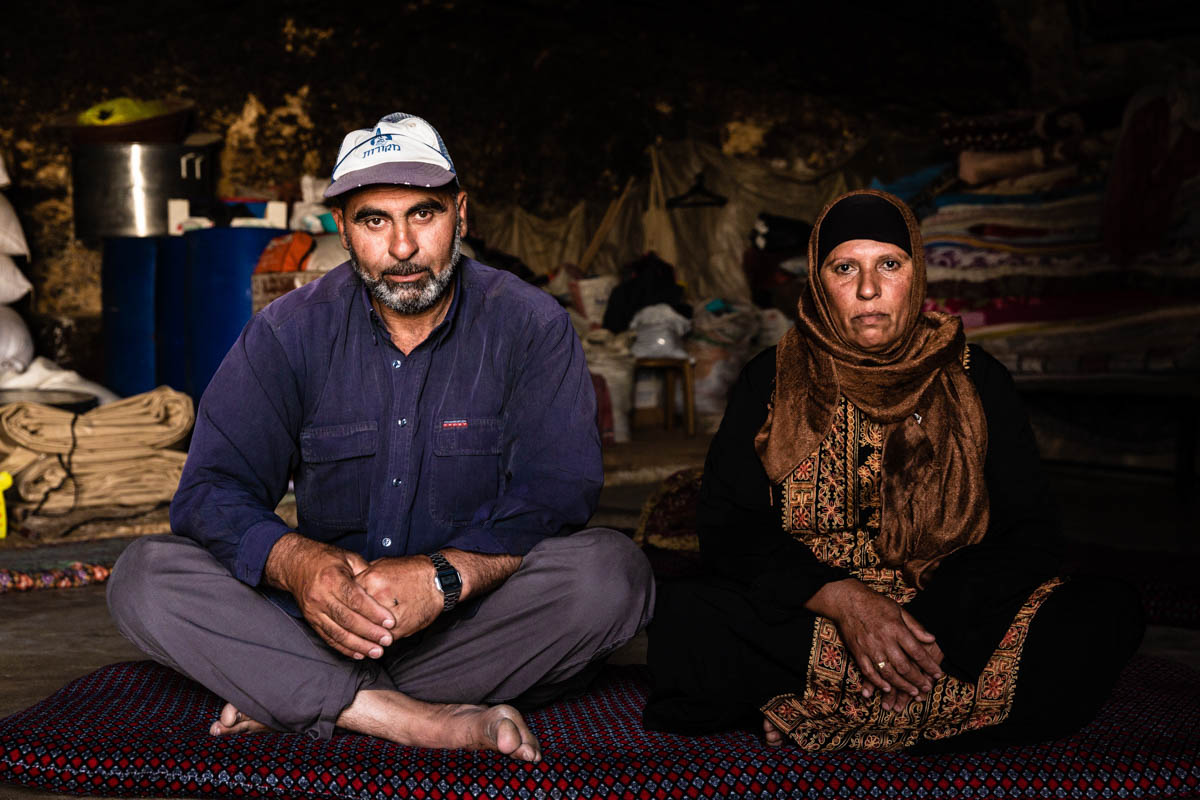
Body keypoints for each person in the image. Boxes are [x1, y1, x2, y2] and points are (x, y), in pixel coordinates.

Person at [107, 112, 654, 762]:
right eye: (374, 220)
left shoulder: (531, 326)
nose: (401, 248)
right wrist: (300, 565)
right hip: (319, 621)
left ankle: (296, 694)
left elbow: (557, 493)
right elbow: (211, 494)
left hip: (473, 622)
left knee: (610, 577)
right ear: (342, 227)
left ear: (461, 213)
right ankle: (407, 719)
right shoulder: (288, 334)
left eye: (423, 215)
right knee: (144, 576)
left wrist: (444, 577)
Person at [643, 189, 1143, 753]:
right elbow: (729, 528)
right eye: (844, 268)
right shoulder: (771, 378)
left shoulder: (978, 379)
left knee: (1103, 612)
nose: (867, 289)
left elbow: (1028, 533)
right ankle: (911, 707)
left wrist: (914, 631)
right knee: (688, 620)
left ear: (916, 272)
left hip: (947, 613)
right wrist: (844, 601)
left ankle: (832, 705)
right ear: (818, 277)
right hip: (815, 609)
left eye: (888, 264)